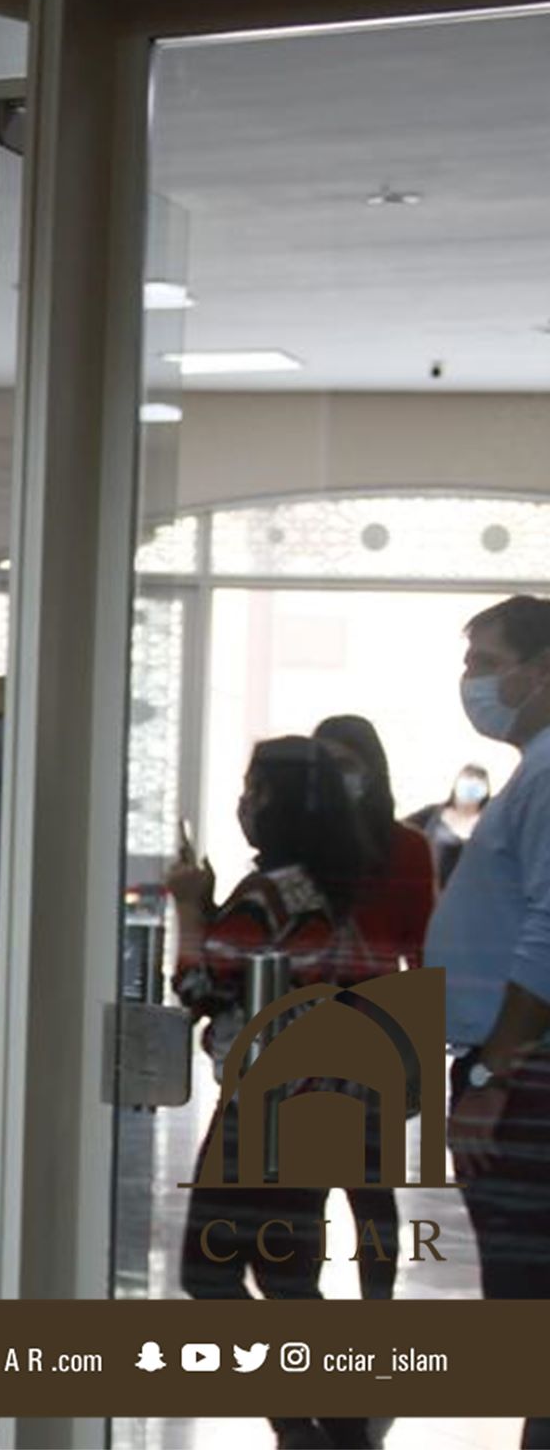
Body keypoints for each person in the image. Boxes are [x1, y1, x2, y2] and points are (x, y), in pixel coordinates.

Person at [167, 736, 382, 1450]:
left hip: (264, 1106)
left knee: (208, 1272)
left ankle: (300, 1422)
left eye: (255, 789)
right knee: (289, 1279)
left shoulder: (265, 895)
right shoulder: (320, 890)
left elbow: (199, 985)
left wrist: (188, 906)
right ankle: (340, 1426)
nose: (245, 803)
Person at [427, 595, 550, 1450]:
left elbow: (549, 931)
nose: (470, 681)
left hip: (526, 1074)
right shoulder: (531, 770)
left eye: (485, 662)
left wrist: (490, 1076)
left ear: (542, 672)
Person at [311, 713, 435, 1303]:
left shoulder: (406, 848)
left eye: (348, 763)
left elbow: (423, 948)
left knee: (369, 1188)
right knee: (302, 1188)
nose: (339, 776)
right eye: (326, 764)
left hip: (373, 1034)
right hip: (306, 1029)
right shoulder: (302, 842)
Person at [409, 763, 493, 889]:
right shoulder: (432, 813)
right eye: (468, 778)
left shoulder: (491, 822)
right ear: (456, 784)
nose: (471, 786)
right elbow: (402, 831)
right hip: (430, 890)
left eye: (478, 782)